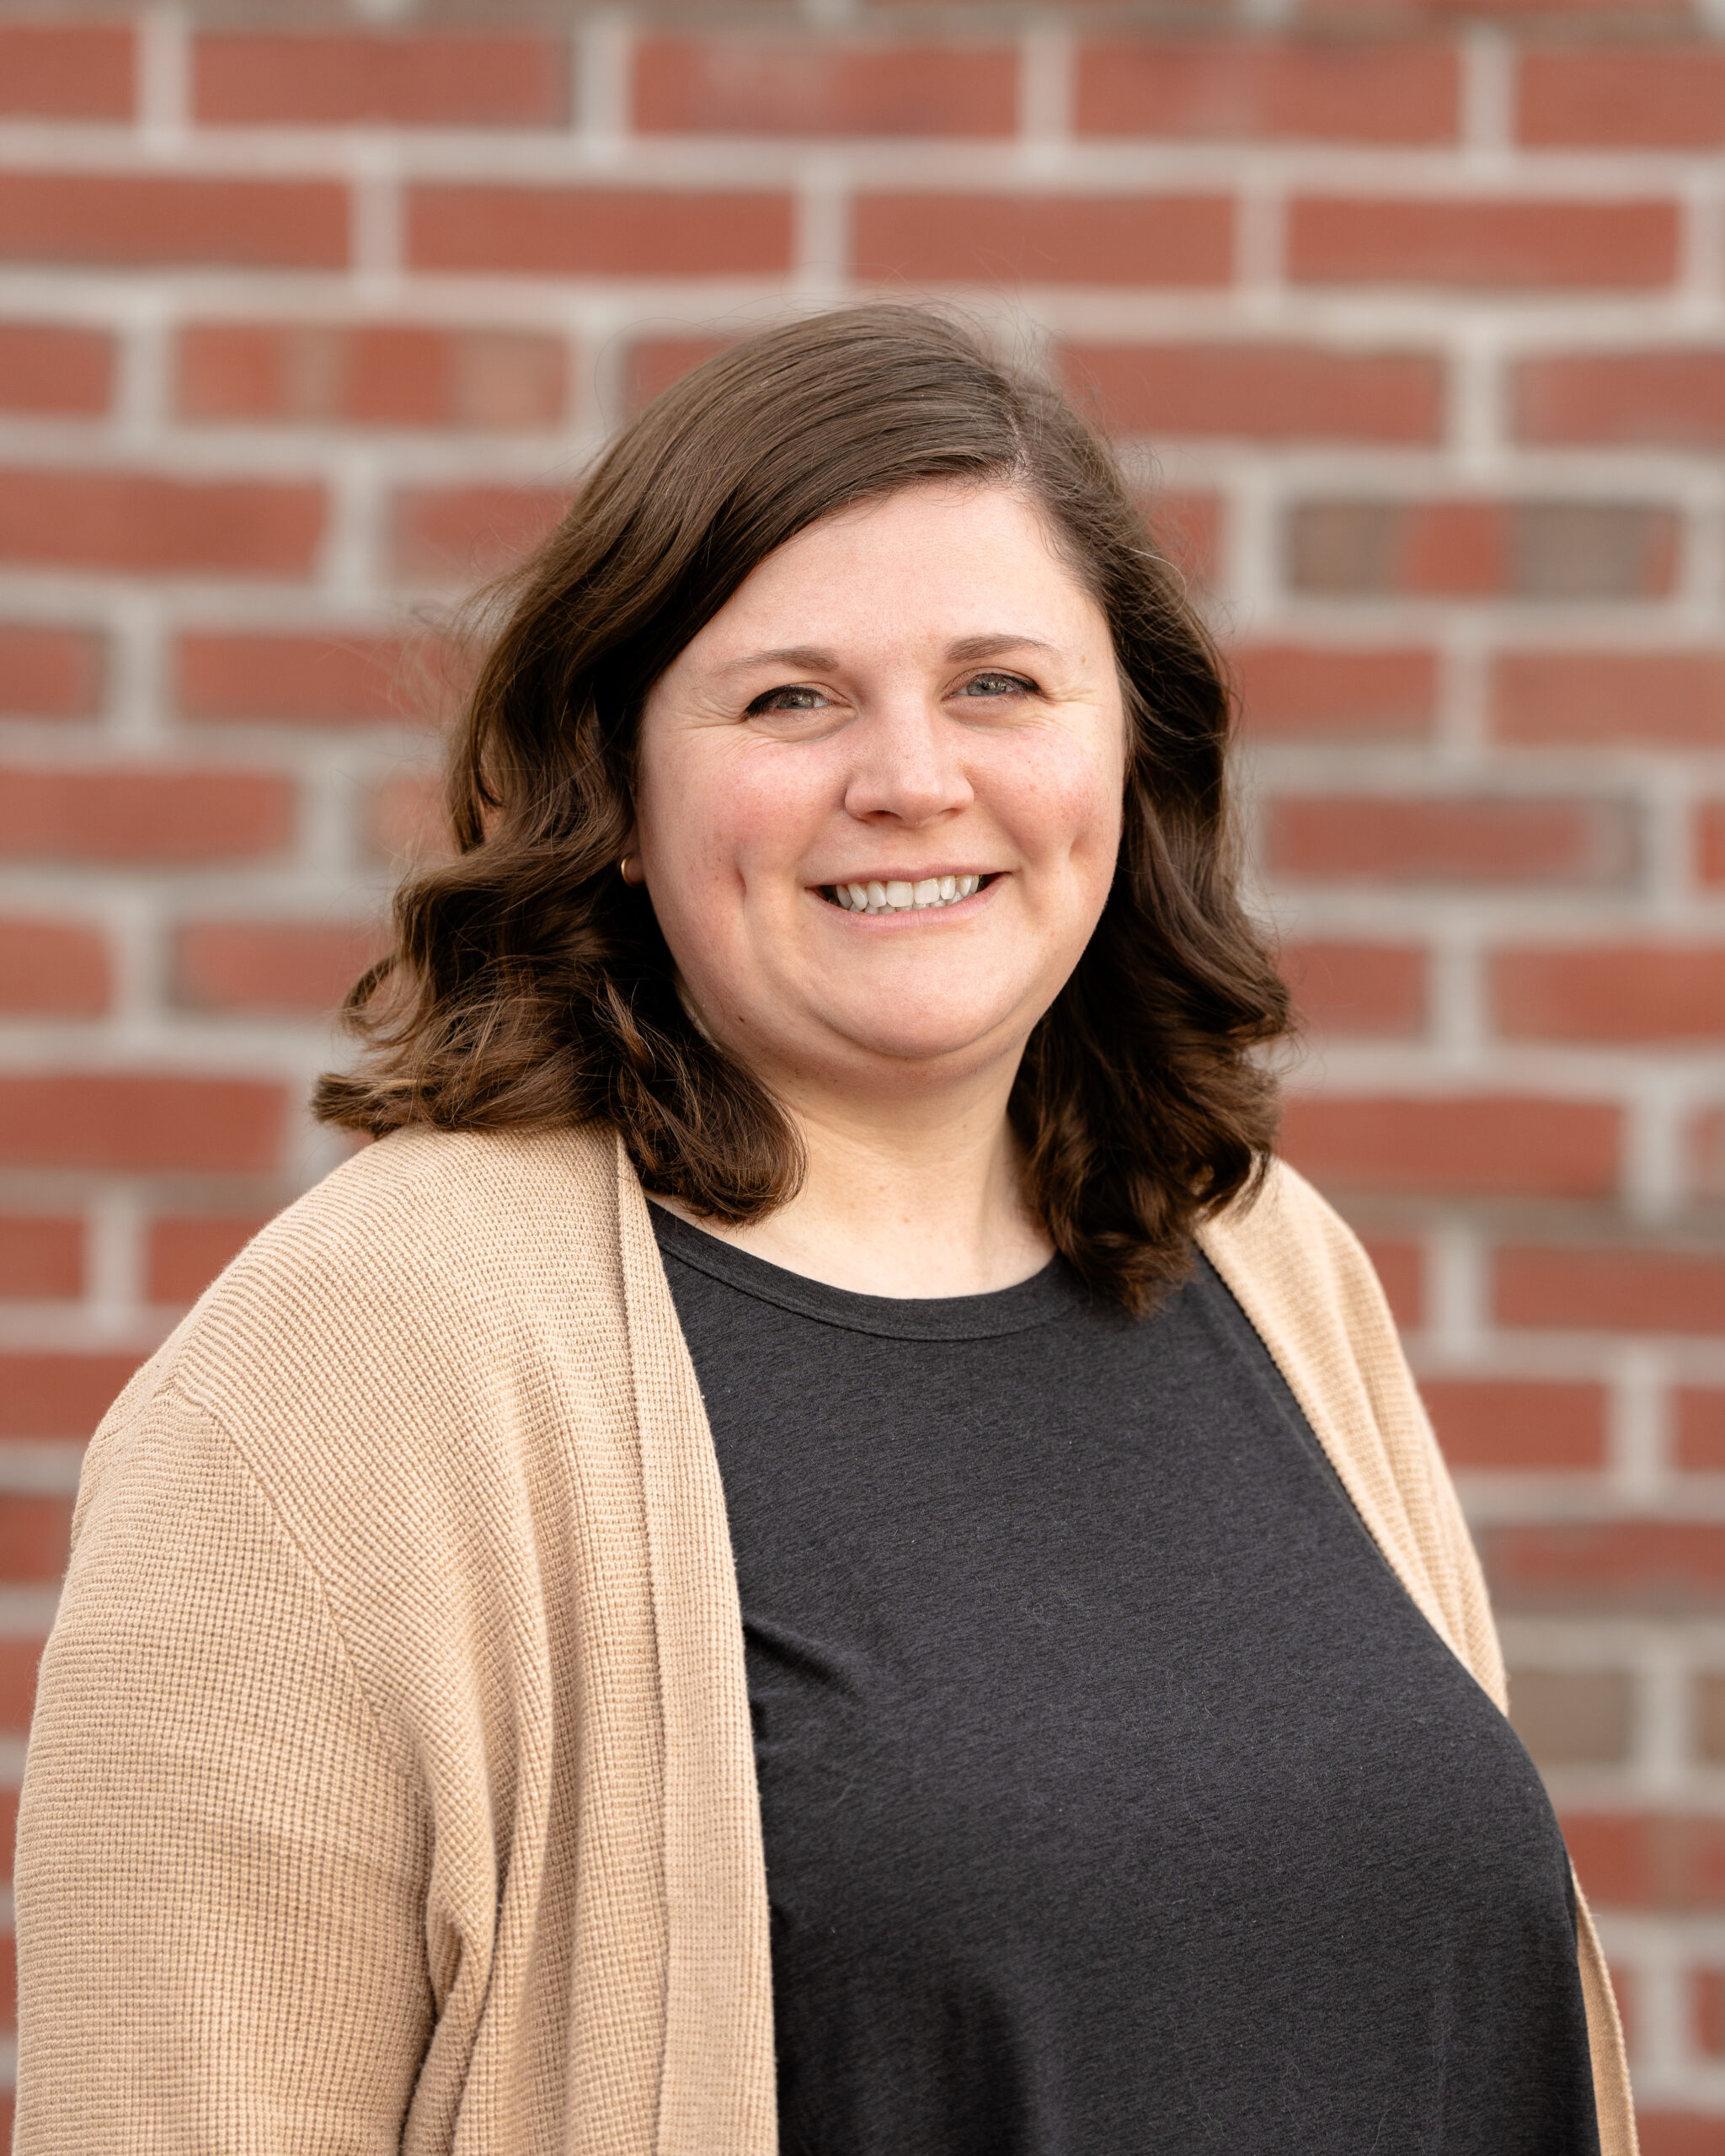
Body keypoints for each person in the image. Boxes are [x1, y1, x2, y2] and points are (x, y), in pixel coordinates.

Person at [15, 307, 1633, 2156]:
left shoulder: (1263, 1264)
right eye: (790, 697)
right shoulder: (341, 1374)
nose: (911, 778)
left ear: (1127, 750)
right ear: (615, 793)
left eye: (1000, 685)